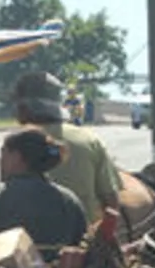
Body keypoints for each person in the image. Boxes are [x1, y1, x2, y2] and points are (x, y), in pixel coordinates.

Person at [12, 72, 122, 224]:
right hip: (85, 242)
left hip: (29, 244)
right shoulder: (89, 140)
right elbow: (111, 201)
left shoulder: (13, 145)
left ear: (22, 108)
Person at [0, 129, 88, 263]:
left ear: (17, 157)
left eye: (4, 154)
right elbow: (81, 247)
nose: (0, 162)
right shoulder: (69, 200)